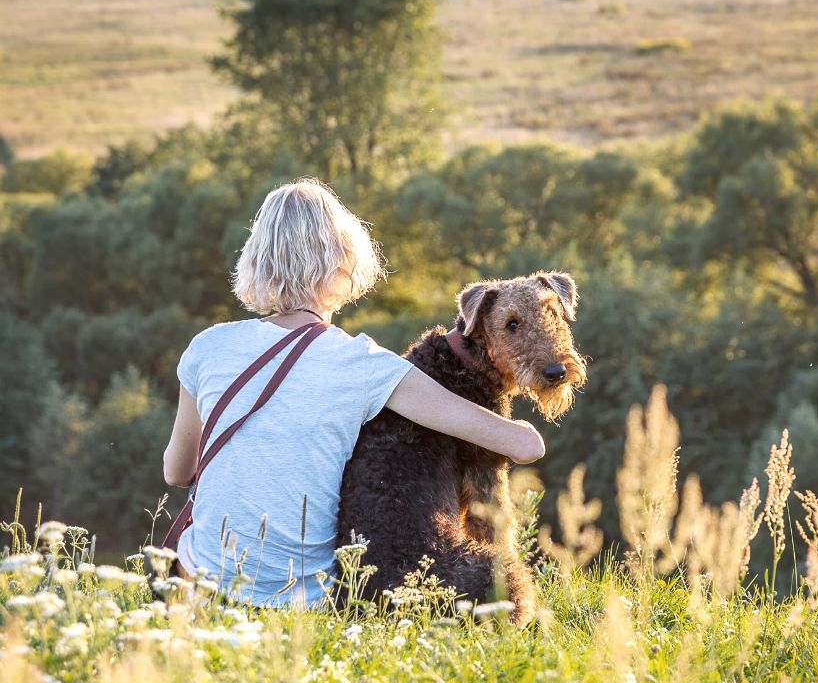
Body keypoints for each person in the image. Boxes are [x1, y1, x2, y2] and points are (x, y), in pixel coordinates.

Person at [162, 179, 544, 606]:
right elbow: (524, 446)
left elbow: (176, 473)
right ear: (343, 262)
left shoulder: (207, 346)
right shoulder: (364, 364)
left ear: (255, 261)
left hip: (198, 589)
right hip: (300, 602)